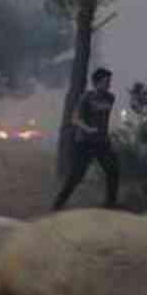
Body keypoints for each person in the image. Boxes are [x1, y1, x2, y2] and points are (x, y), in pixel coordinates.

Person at [52, 67, 121, 211]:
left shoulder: (111, 98)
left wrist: (108, 136)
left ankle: (110, 204)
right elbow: (75, 118)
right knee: (77, 176)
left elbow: (105, 119)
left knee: (112, 170)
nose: (109, 84)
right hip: (85, 142)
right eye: (106, 81)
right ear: (97, 83)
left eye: (109, 81)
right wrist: (88, 129)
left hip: (102, 142)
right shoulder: (86, 97)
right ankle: (58, 203)